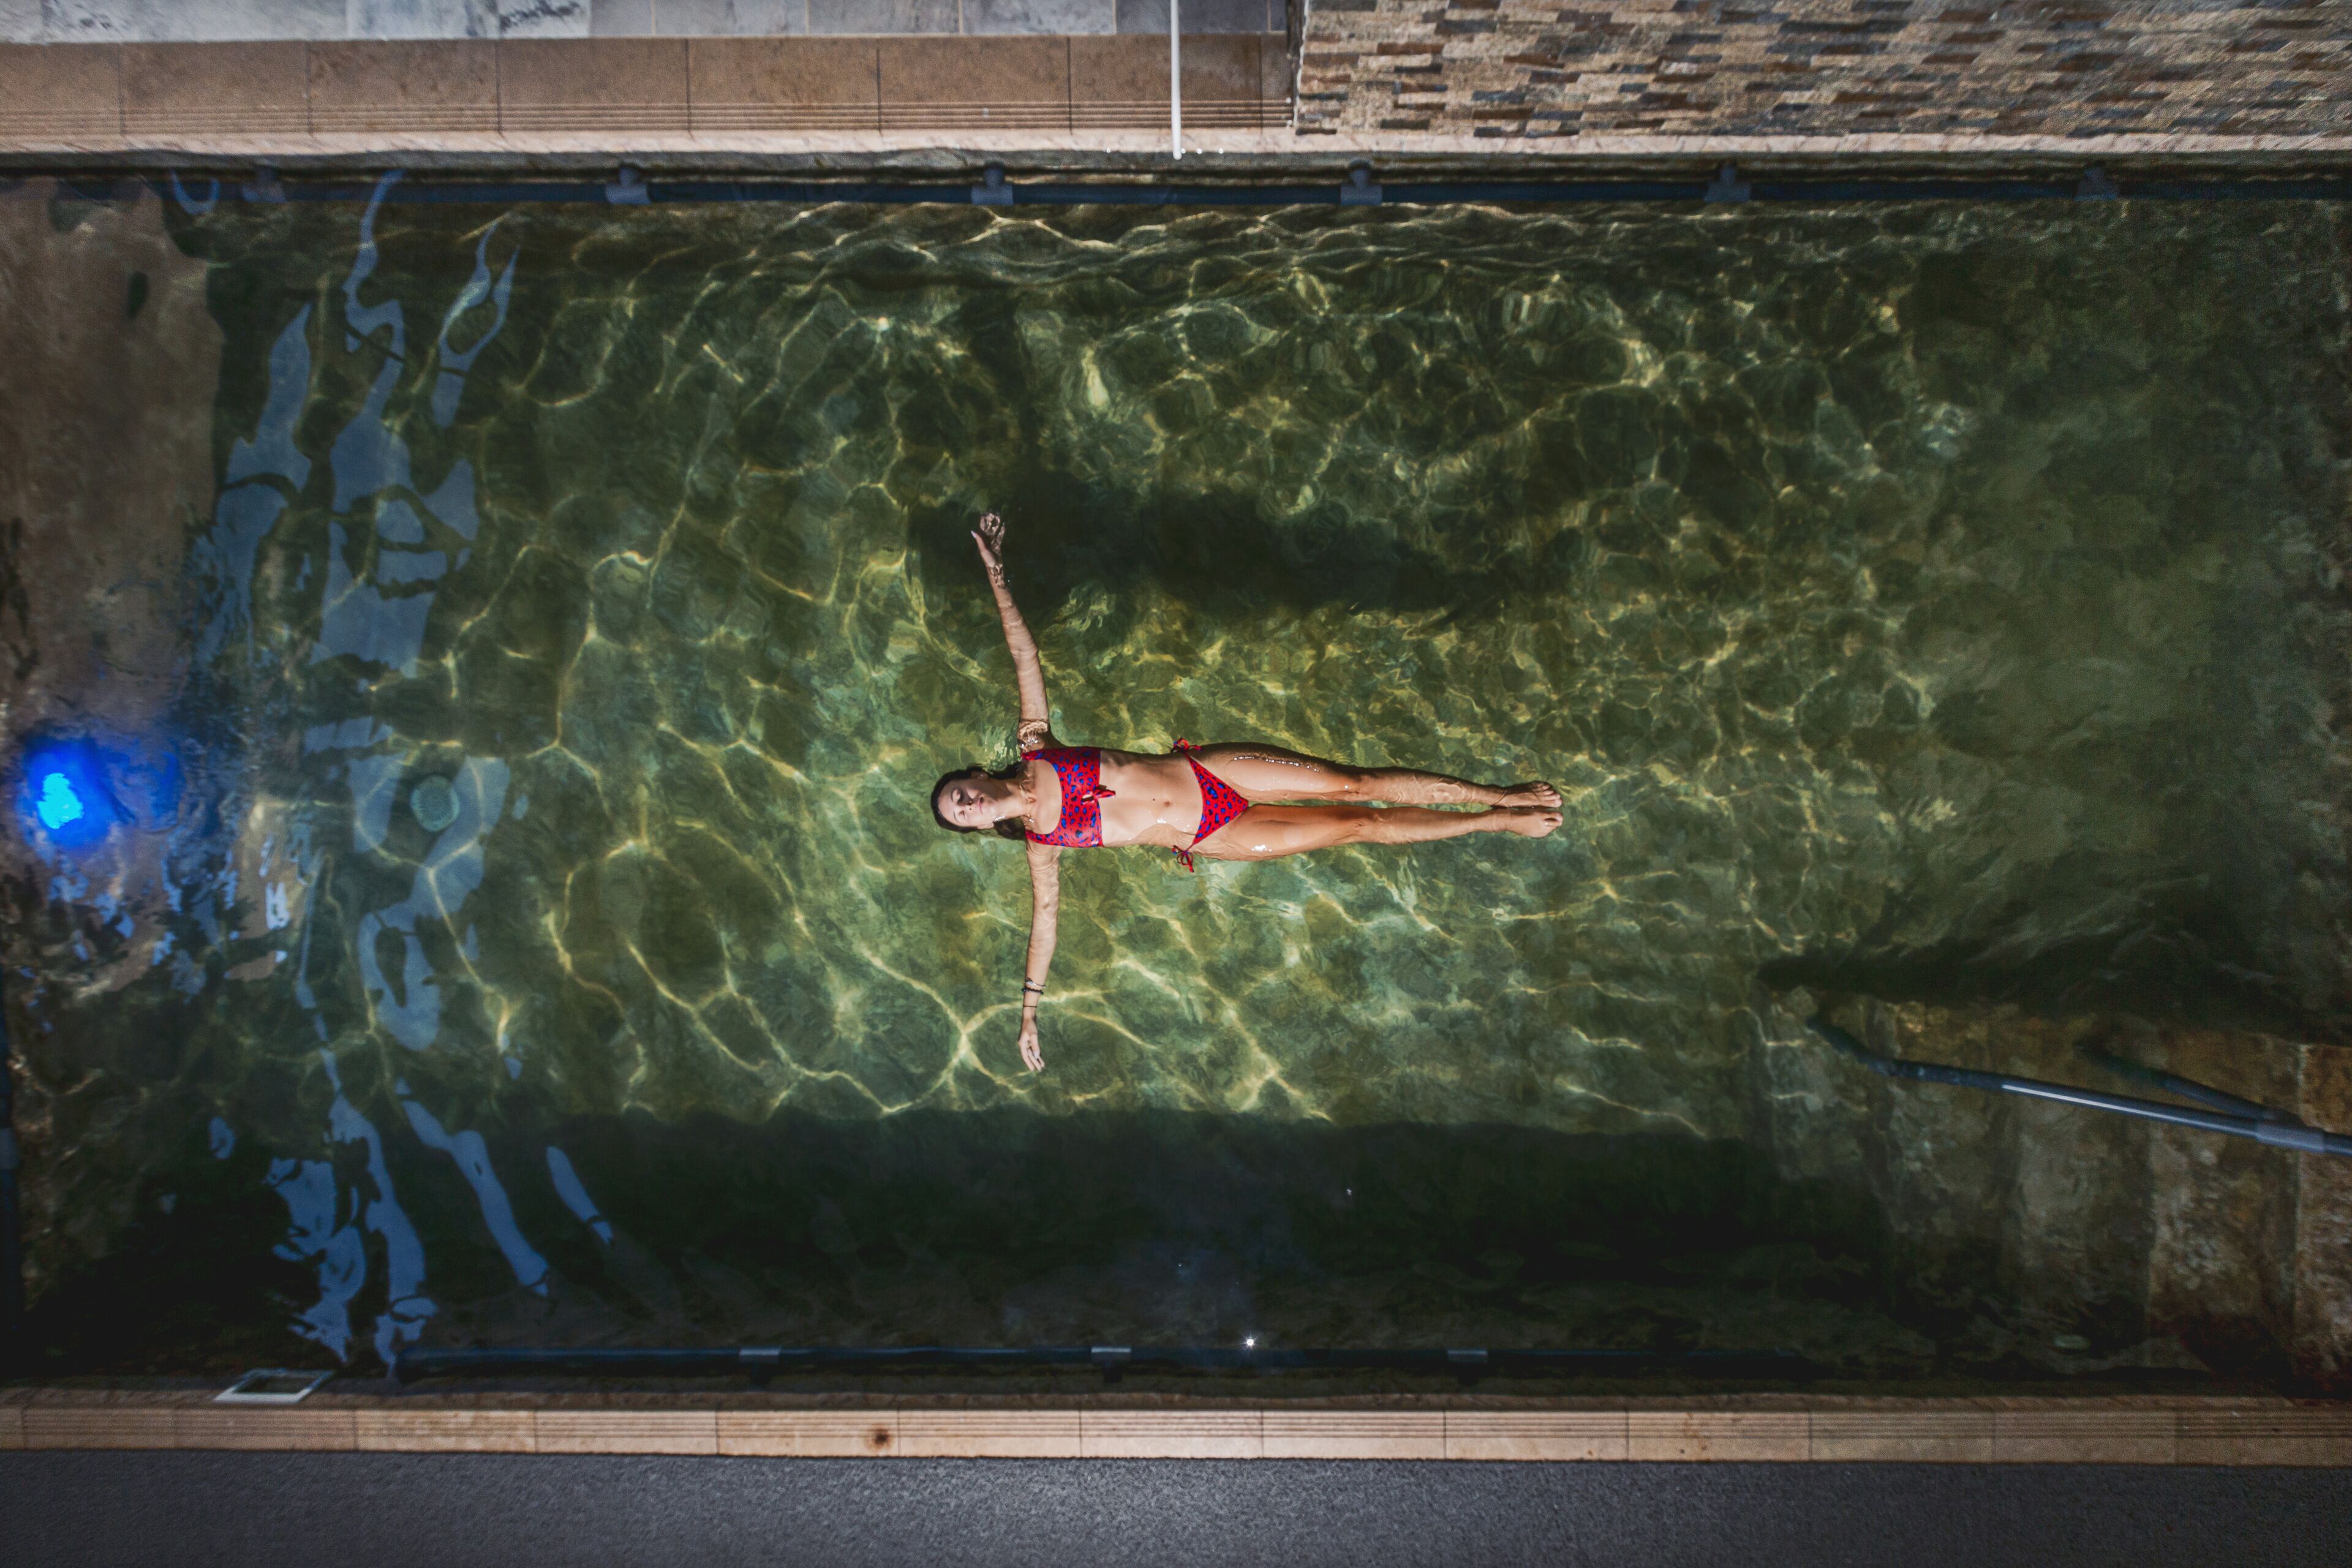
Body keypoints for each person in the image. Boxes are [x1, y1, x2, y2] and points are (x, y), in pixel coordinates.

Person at [932, 513, 1562, 1071]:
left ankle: (1499, 793)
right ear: (978, 828)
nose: (967, 806)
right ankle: (1494, 821)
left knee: (1356, 781)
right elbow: (1044, 928)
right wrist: (1029, 1015)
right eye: (961, 816)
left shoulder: (1036, 744)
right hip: (1215, 834)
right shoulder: (1042, 845)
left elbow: (1025, 657)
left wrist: (997, 573)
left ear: (975, 774)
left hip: (1212, 772)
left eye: (959, 794)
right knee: (1359, 824)